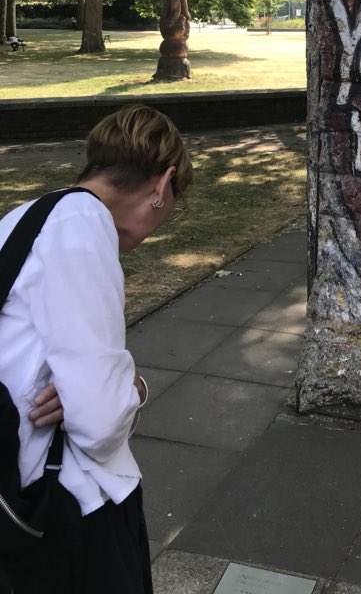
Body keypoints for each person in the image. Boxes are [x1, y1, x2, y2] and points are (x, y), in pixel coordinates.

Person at [0, 105, 193, 594]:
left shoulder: (26, 216)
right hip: (60, 507)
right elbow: (101, 425)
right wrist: (133, 386)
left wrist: (87, 392)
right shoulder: (84, 227)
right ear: (162, 184)